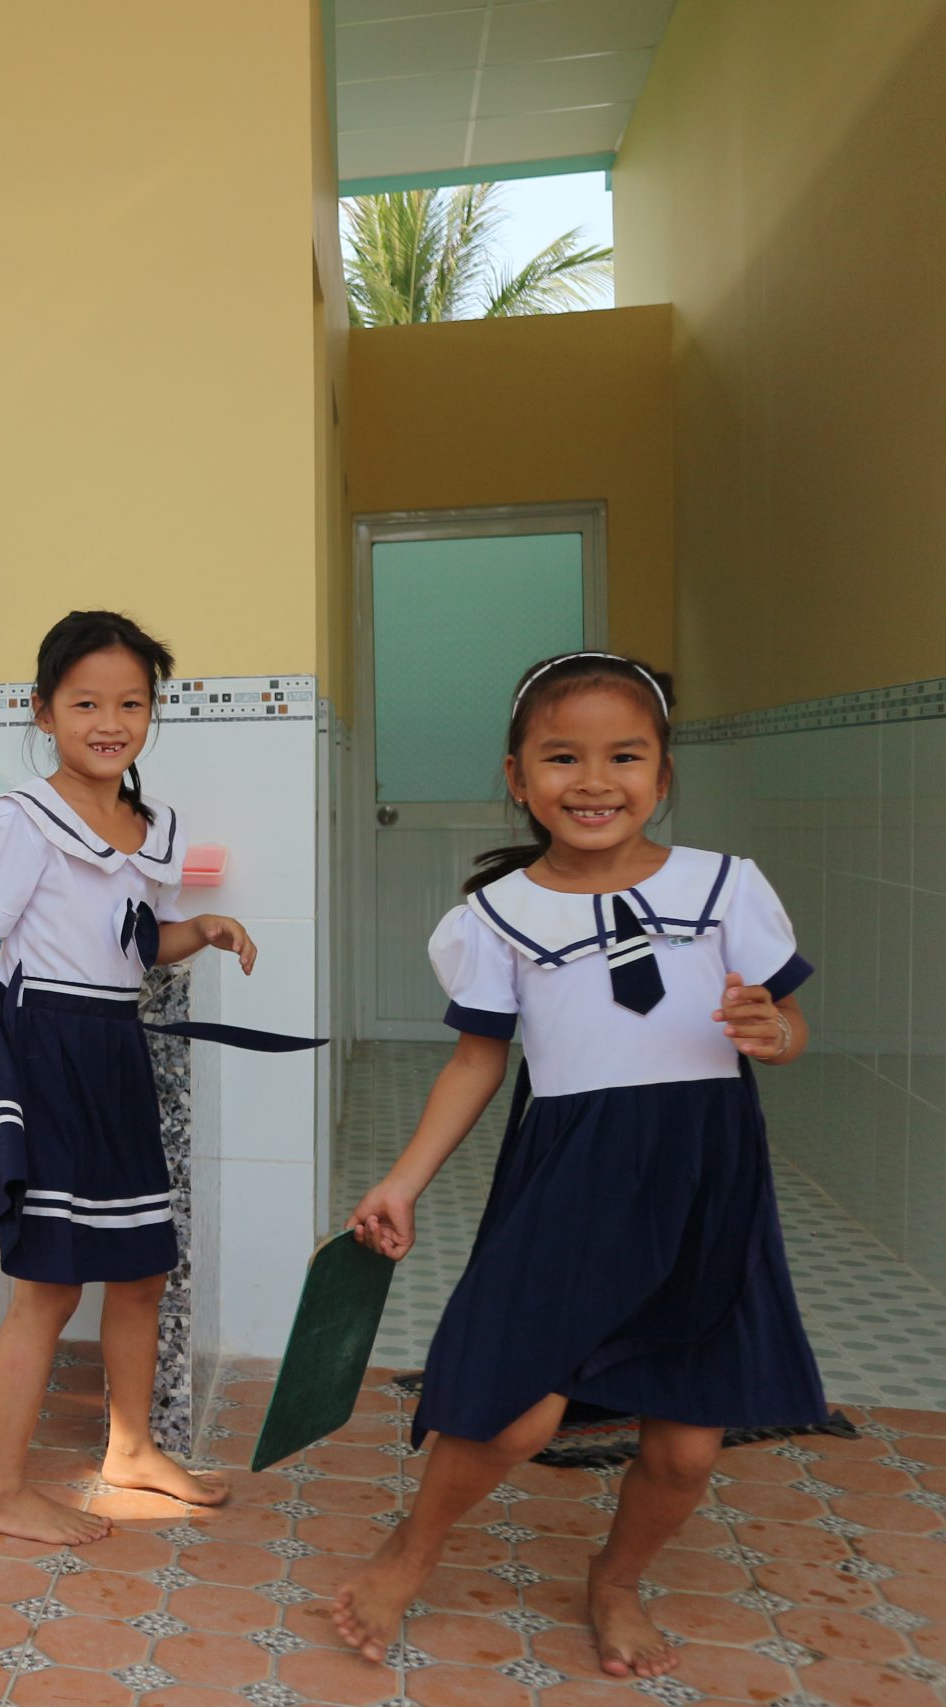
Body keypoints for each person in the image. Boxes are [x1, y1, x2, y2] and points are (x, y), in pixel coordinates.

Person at [330, 651, 823, 1678]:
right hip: (572, 1179)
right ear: (517, 778)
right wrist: (401, 1180)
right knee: (516, 1413)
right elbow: (476, 1062)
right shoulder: (495, 916)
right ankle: (406, 1552)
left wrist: (774, 1033)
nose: (593, 781)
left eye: (623, 756)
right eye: (562, 758)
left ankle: (617, 1580)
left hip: (705, 1183)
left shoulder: (725, 886)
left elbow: (788, 1021)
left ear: (662, 770)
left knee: (686, 1446)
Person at [0, 610, 269, 1545]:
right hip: (46, 1051)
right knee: (49, 1284)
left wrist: (208, 931)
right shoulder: (19, 822)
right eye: (85, 703)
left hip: (115, 1046)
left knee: (143, 1266)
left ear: (152, 712)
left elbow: (140, 941)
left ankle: (130, 1448)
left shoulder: (150, 827)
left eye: (130, 702)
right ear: (43, 712)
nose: (110, 721)